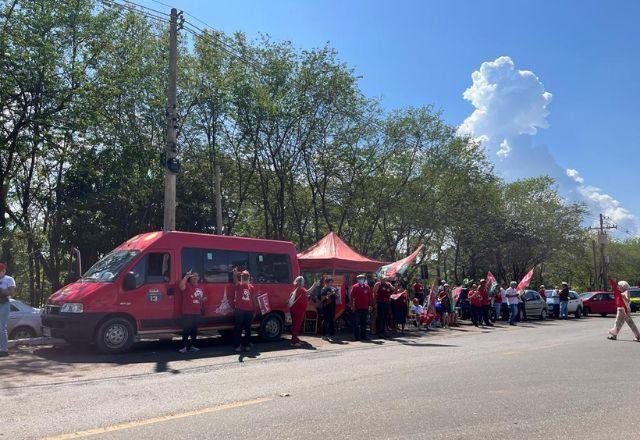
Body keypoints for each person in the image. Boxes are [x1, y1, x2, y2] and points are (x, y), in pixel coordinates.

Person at [178, 270, 206, 353]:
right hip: (187, 312)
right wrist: (186, 276)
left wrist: (203, 299)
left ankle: (193, 346)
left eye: (196, 276)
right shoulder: (187, 285)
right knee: (186, 330)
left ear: (198, 278)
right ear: (190, 278)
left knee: (194, 330)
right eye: (193, 276)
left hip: (197, 312)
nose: (195, 277)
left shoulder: (201, 287)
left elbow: (205, 297)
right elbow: (181, 286)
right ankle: (184, 347)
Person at [233, 268, 256, 353]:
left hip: (249, 310)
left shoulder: (251, 287)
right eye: (243, 276)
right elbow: (235, 280)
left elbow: (253, 299)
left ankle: (246, 345)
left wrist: (254, 310)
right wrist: (235, 274)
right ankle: (237, 345)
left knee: (248, 329)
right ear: (241, 277)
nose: (245, 277)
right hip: (239, 310)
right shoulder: (239, 285)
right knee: (238, 328)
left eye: (246, 276)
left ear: (249, 277)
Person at [0, 263, 16, 357]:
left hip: (4, 304)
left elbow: (12, 293)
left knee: (2, 328)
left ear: (4, 271)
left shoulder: (9, 279)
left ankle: (4, 349)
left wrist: (2, 290)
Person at [350, 274, 373, 341]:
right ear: (357, 280)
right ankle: (356, 337)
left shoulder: (367, 286)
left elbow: (370, 297)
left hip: (365, 307)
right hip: (357, 308)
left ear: (364, 279)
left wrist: (370, 305)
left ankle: (363, 336)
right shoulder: (354, 287)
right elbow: (351, 297)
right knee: (356, 323)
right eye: (360, 278)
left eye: (362, 278)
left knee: (364, 323)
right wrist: (352, 306)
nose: (361, 279)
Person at [289, 276, 308, 347]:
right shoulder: (301, 289)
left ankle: (295, 339)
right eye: (303, 281)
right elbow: (308, 292)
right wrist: (314, 285)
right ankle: (294, 341)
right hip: (298, 310)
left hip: (296, 309)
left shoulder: (297, 288)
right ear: (300, 282)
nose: (304, 282)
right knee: (296, 325)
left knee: (296, 325)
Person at [320, 277, 338, 341]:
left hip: (332, 306)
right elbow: (322, 298)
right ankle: (324, 335)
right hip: (326, 307)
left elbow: (337, 297)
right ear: (327, 283)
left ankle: (332, 335)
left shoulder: (333, 289)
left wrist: (335, 293)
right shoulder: (324, 289)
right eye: (330, 282)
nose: (331, 284)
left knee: (331, 321)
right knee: (325, 321)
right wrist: (330, 294)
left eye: (332, 282)